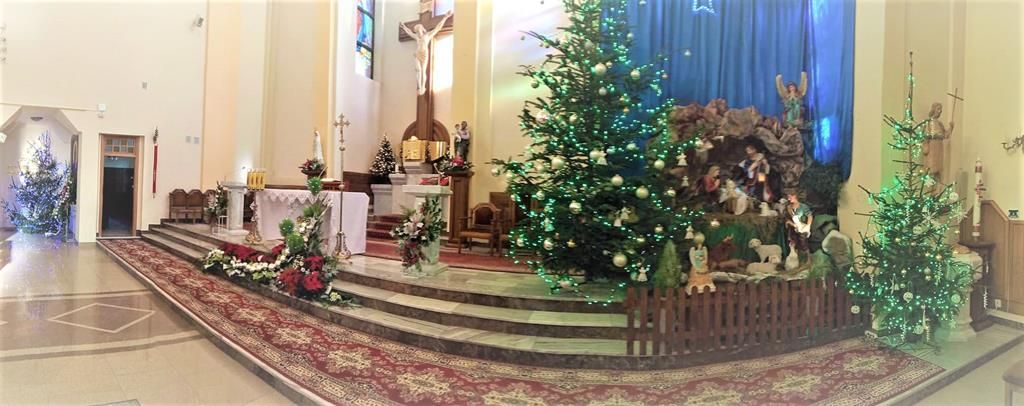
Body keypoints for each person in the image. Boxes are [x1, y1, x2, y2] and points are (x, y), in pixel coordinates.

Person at [399, 10, 454, 95]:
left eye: (418, 30)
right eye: (416, 31)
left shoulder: (428, 35)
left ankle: (423, 87)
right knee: (418, 70)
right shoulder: (416, 37)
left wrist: (445, 17)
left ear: (421, 29)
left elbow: (438, 27)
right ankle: (418, 87)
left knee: (423, 71)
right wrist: (403, 27)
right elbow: (409, 32)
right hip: (417, 54)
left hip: (424, 54)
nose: (417, 32)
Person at [784, 190, 813, 258]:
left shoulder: (803, 206)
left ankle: (808, 259)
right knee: (794, 243)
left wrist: (808, 226)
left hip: (802, 228)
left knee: (803, 243)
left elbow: (810, 216)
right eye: (788, 197)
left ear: (794, 196)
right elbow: (788, 218)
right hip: (793, 228)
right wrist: (789, 222)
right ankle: (796, 258)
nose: (788, 199)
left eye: (790, 197)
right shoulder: (789, 207)